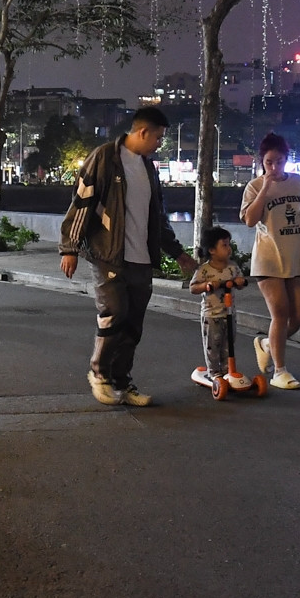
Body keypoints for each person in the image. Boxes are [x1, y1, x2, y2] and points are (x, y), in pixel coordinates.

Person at [59, 106, 197, 406]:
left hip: (141, 258)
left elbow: (157, 218)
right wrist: (70, 248)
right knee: (114, 314)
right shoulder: (105, 157)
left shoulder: (149, 168)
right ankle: (99, 373)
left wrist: (177, 254)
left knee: (133, 324)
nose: (159, 144)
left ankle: (122, 383)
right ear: (142, 131)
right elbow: (82, 201)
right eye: (158, 138)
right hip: (108, 254)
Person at [239, 132, 300, 390]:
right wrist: (266, 188)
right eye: (269, 162)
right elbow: (249, 220)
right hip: (268, 258)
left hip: (295, 256)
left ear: (287, 160)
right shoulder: (255, 186)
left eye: (279, 161)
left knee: (298, 316)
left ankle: (268, 344)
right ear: (262, 161)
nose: (274, 167)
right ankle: (279, 371)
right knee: (280, 314)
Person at [189, 225, 251, 391]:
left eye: (229, 244)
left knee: (228, 343)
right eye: (224, 245)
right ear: (212, 250)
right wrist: (207, 285)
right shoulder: (204, 270)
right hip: (211, 314)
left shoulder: (232, 267)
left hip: (229, 313)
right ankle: (214, 372)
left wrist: (240, 282)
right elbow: (193, 288)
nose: (228, 248)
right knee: (213, 344)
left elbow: (241, 281)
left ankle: (227, 370)